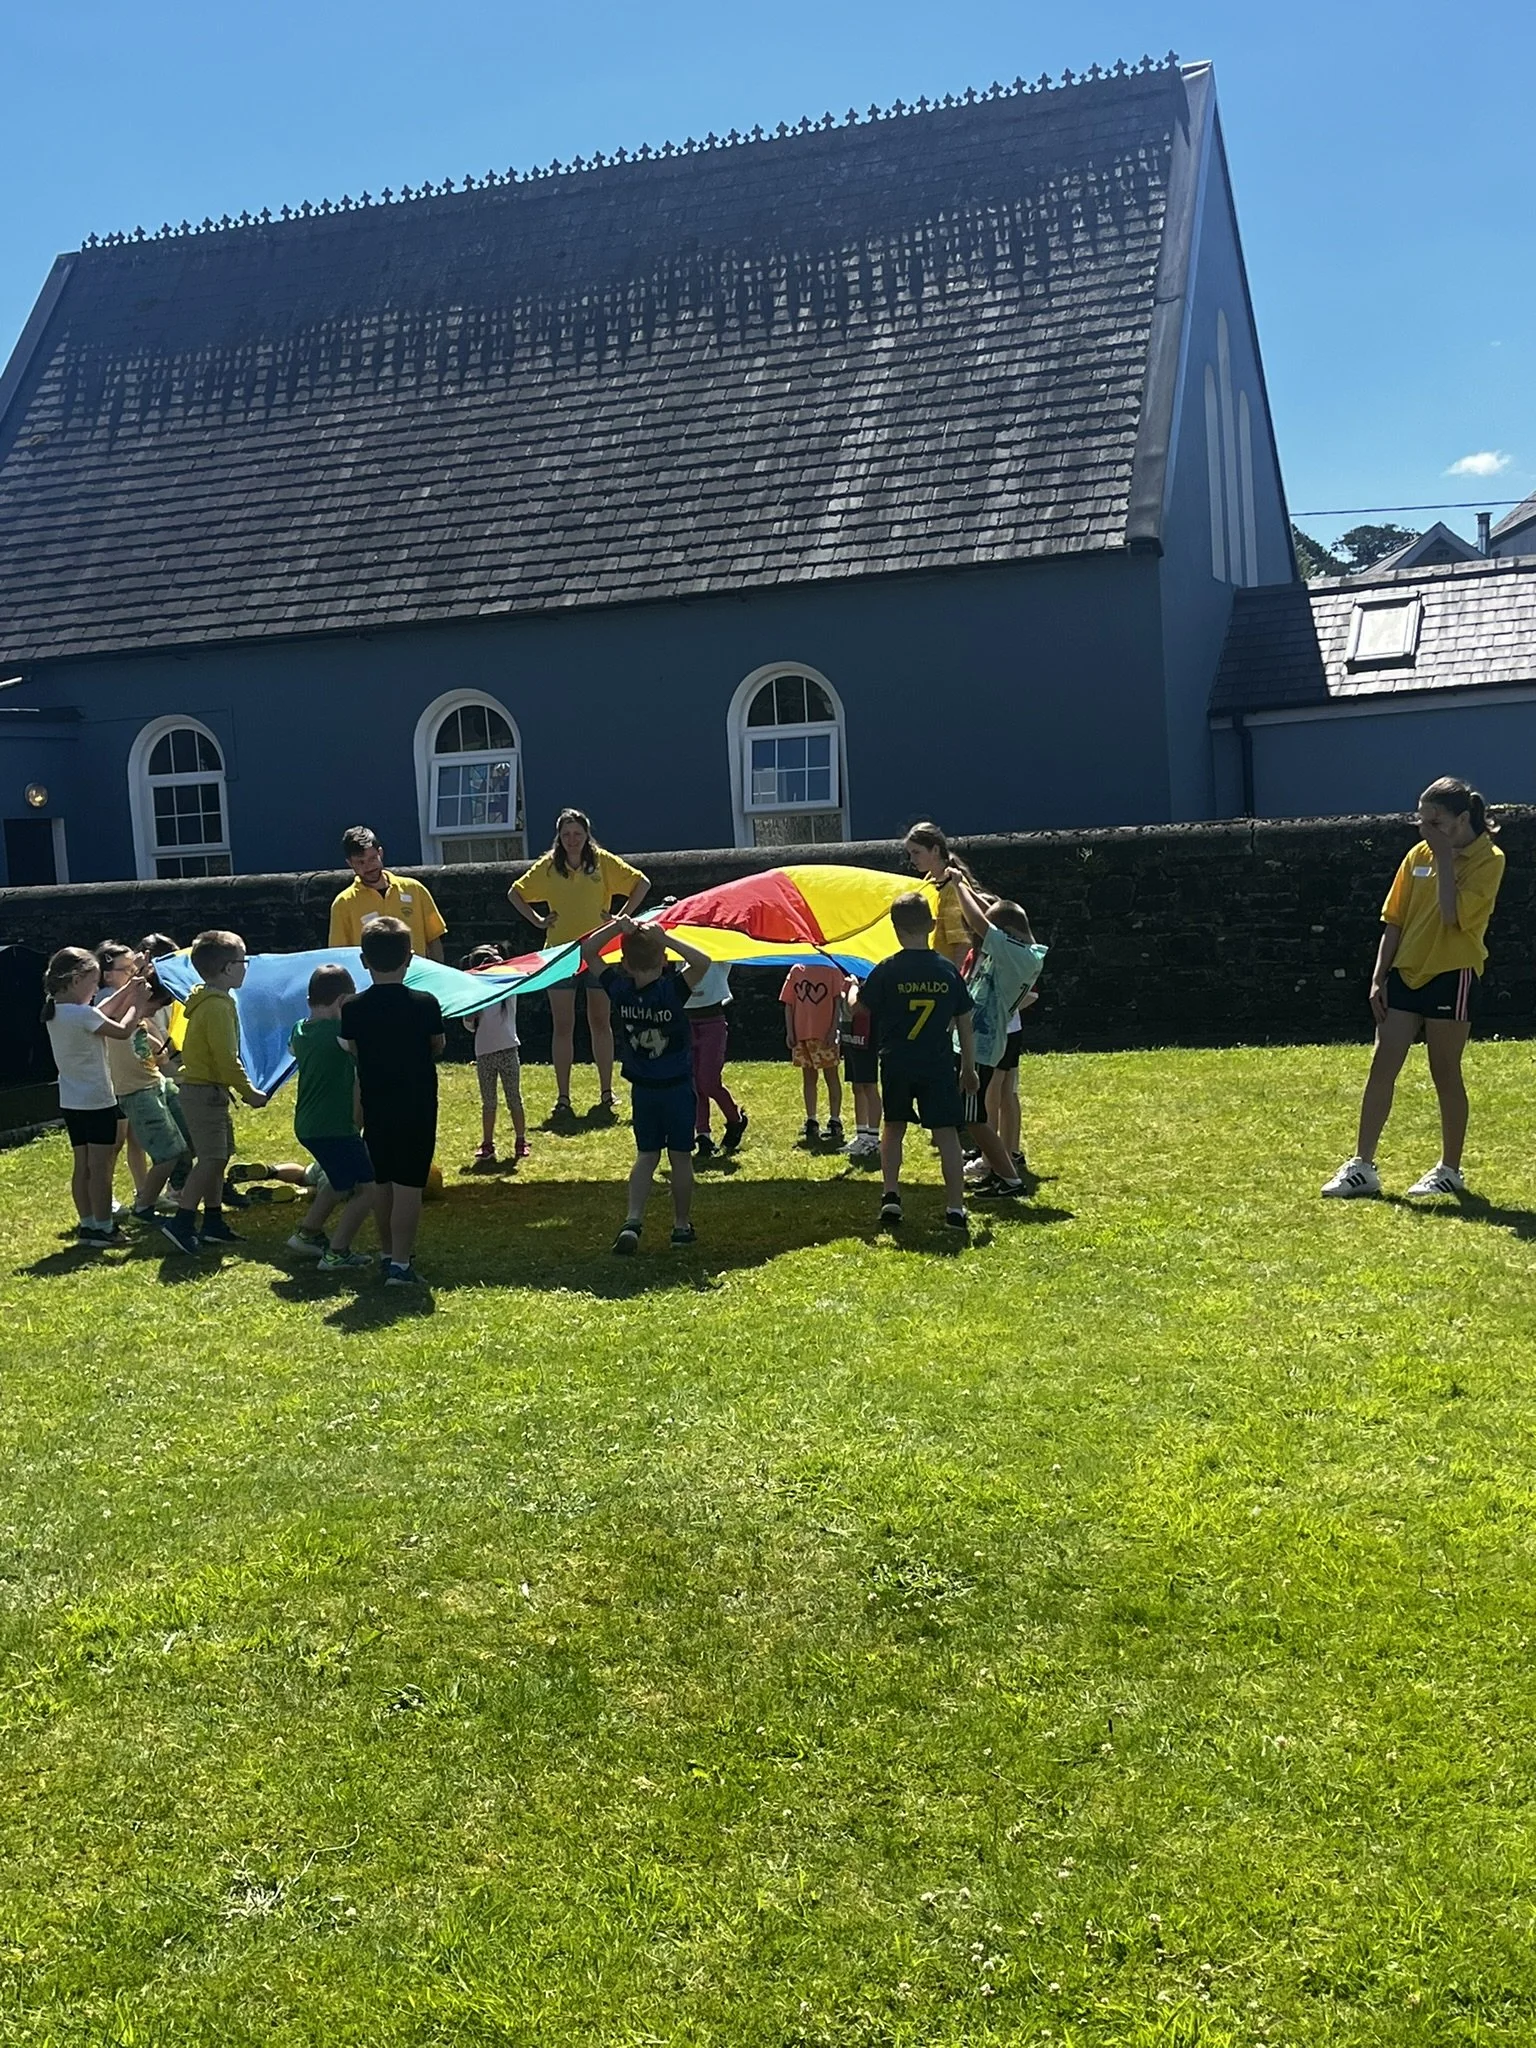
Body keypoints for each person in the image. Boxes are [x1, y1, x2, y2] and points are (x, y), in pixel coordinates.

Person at [1322, 778, 1506, 1199]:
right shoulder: (1417, 855)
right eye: (1421, 820)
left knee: (1445, 1071)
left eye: (1435, 821)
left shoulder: (1489, 860)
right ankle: (1362, 1167)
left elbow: (1452, 916)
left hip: (1452, 972)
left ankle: (1449, 1170)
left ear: (1462, 819)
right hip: (1405, 972)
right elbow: (1395, 919)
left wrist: (1444, 857)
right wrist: (1378, 976)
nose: (1425, 829)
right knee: (1382, 1065)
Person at [579, 914, 712, 1253]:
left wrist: (616, 927)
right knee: (681, 1157)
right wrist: (665, 938)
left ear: (623, 962)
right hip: (678, 1088)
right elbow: (703, 961)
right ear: (665, 961)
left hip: (643, 1089)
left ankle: (633, 1218)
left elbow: (588, 951)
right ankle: (681, 1226)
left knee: (646, 1154)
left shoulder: (620, 989)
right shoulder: (671, 990)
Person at [509, 810, 648, 1121]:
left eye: (578, 833)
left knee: (601, 1023)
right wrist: (539, 920)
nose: (572, 840)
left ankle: (606, 1092)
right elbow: (515, 893)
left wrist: (619, 917)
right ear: (559, 837)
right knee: (563, 1026)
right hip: (561, 955)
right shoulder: (548, 866)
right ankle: (563, 1097)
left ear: (587, 835)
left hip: (599, 953)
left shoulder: (602, 861)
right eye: (567, 834)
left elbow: (642, 883)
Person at [859, 892, 979, 1232]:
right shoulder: (947, 971)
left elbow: (860, 1008)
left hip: (897, 1061)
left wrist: (854, 991)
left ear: (895, 928)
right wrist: (968, 1067)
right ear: (931, 925)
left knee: (893, 1127)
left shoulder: (886, 970)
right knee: (946, 1135)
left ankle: (891, 1195)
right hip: (937, 1062)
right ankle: (955, 1206)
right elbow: (965, 1020)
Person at [338, 918, 445, 1287]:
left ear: (364, 960)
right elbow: (437, 1045)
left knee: (382, 1182)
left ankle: (387, 1254)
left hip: (375, 1103)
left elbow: (352, 1049)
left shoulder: (352, 1008)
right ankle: (401, 1264)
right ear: (410, 958)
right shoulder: (425, 1003)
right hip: (416, 1104)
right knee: (410, 1185)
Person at [160, 931, 269, 1255]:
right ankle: (181, 1222)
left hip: (210, 1091)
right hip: (203, 1091)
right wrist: (248, 1092)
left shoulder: (210, 999)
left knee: (219, 1157)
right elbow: (225, 1058)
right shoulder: (218, 1006)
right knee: (209, 1159)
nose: (246, 966)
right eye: (242, 961)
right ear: (227, 969)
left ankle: (213, 1222)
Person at [43, 947, 156, 1245]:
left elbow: (99, 1014)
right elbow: (120, 1029)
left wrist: (130, 988)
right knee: (102, 1169)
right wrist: (139, 1004)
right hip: (97, 1101)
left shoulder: (59, 1010)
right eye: (93, 984)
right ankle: (105, 1227)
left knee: (83, 1167)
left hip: (71, 1101)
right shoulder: (82, 1015)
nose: (96, 990)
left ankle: (88, 1224)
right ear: (76, 980)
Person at [946, 874, 1047, 1198]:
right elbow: (984, 921)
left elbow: (978, 922)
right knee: (978, 1114)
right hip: (982, 1043)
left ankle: (1008, 1178)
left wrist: (958, 884)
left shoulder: (1017, 954)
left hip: (984, 1047)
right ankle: (998, 1170)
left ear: (1006, 932)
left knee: (975, 1117)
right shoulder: (1018, 951)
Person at [95, 941, 190, 1221]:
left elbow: (139, 1031)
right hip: (136, 1090)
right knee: (168, 1153)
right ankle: (144, 1207)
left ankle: (174, 1190)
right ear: (107, 974)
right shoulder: (107, 998)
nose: (135, 973)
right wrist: (137, 987)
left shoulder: (130, 997)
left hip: (154, 1081)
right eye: (128, 969)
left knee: (187, 1143)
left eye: (135, 967)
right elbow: (112, 1017)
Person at [328, 826, 446, 962]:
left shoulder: (415, 890)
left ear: (380, 853)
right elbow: (339, 955)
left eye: (372, 858)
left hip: (416, 977)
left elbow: (434, 939)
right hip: (369, 980)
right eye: (361, 862)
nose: (369, 867)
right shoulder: (343, 904)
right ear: (350, 863)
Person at [460, 943, 528, 1165]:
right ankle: (487, 1143)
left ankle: (520, 1140)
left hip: (508, 1049)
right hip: (484, 1053)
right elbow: (469, 1023)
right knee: (488, 1102)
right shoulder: (474, 995)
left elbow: (515, 974)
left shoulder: (507, 991)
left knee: (514, 1098)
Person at [780, 962, 849, 1146]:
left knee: (831, 1076)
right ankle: (811, 1119)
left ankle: (835, 1119)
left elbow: (837, 1001)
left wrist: (834, 1029)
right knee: (808, 1077)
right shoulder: (797, 970)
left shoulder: (832, 970)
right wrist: (790, 1031)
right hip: (802, 1033)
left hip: (825, 1034)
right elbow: (789, 1002)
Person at [686, 959, 747, 1160]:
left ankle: (735, 1119)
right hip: (686, 1021)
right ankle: (703, 1135)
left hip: (712, 1022)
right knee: (694, 1084)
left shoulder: (718, 956)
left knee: (708, 1082)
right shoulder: (681, 953)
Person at [903, 822, 982, 966]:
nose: (912, 860)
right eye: (910, 854)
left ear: (935, 850)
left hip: (948, 973)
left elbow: (961, 944)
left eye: (917, 852)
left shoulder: (952, 887)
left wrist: (956, 980)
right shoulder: (930, 879)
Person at [838, 975, 881, 1164]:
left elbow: (856, 1007)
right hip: (851, 1034)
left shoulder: (868, 978)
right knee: (857, 1086)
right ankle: (861, 1133)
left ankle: (873, 1137)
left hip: (866, 1035)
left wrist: (853, 986)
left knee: (869, 1085)